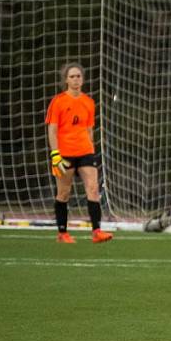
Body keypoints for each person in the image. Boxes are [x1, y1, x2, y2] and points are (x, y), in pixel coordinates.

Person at [45, 62, 113, 243]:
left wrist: (91, 147)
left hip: (85, 151)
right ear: (66, 80)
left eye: (78, 76)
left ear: (82, 79)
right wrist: (55, 154)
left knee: (93, 188)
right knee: (64, 193)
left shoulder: (89, 102)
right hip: (64, 153)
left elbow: (89, 129)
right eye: (72, 76)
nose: (76, 79)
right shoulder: (58, 101)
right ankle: (62, 233)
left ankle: (97, 231)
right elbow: (52, 130)